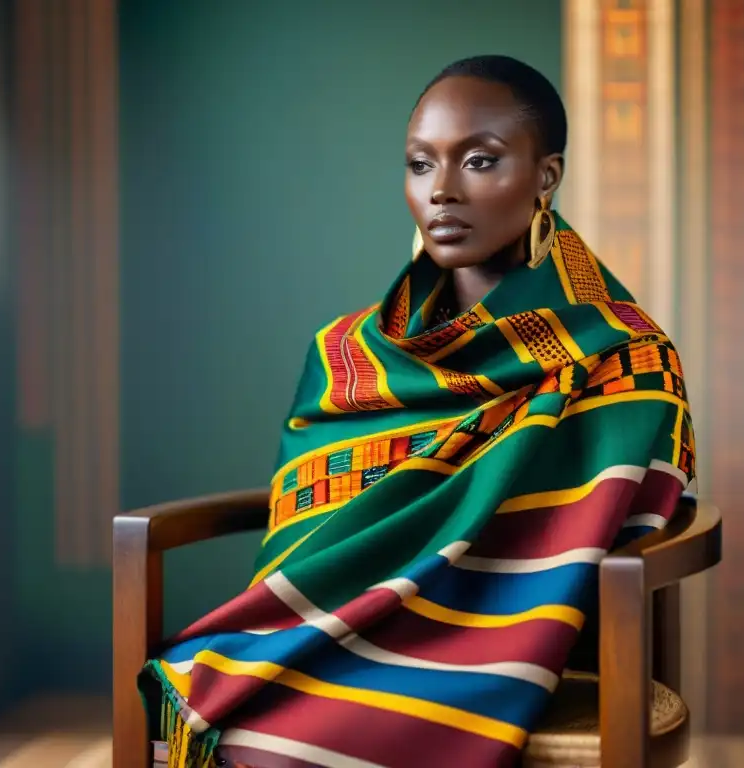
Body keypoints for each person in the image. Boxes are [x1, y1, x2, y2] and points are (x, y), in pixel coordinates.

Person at [138, 55, 695, 768]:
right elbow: (311, 530)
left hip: (497, 638)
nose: (443, 192)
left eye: (480, 161)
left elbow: (634, 510)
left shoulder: (622, 353)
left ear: (545, 177)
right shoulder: (346, 354)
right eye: (421, 164)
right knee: (239, 716)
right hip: (327, 629)